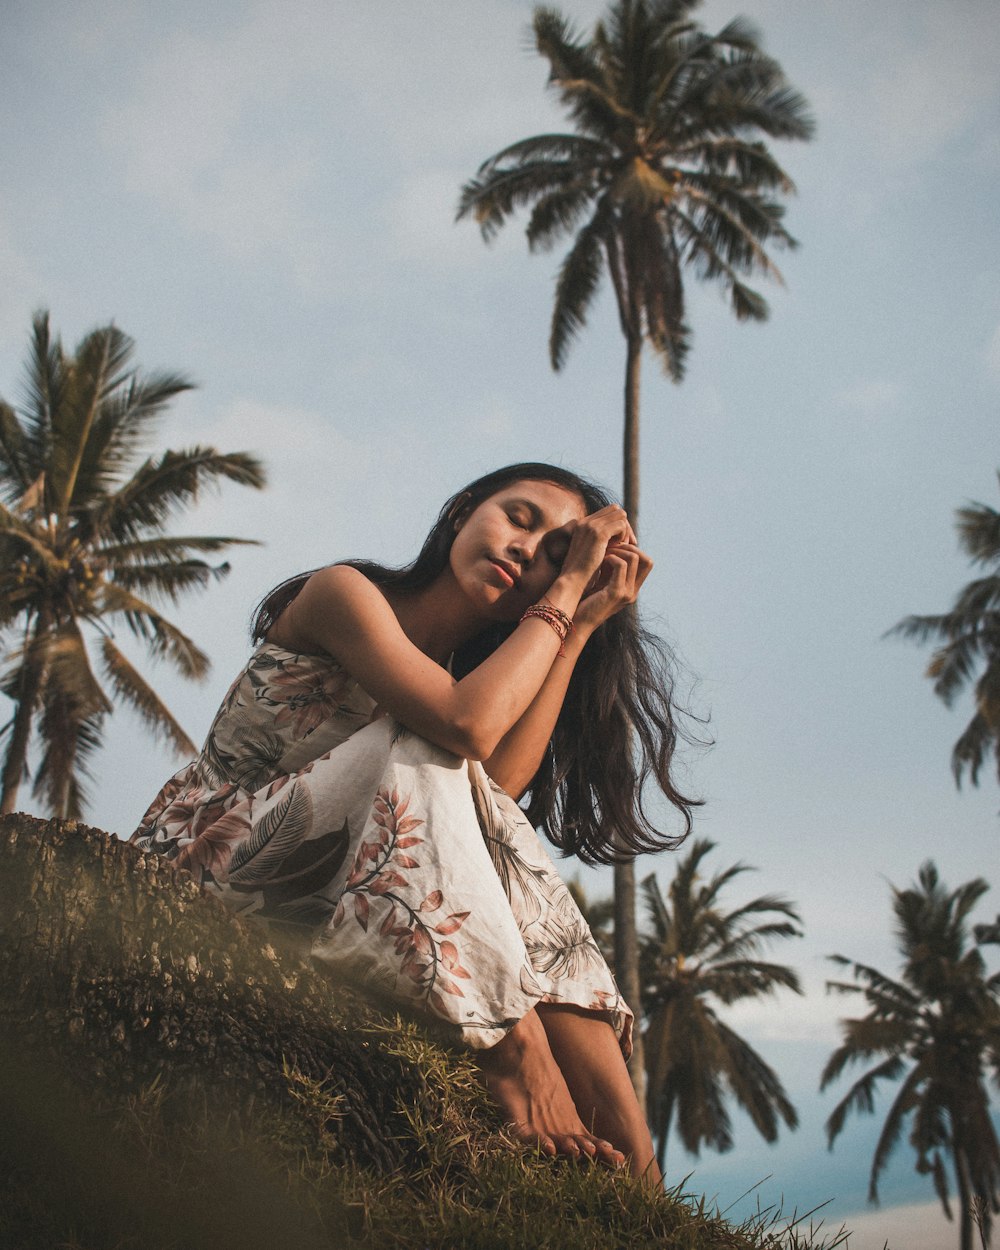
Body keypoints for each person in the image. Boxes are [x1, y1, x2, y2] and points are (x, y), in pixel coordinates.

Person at [132, 462, 697, 1183]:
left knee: (479, 807)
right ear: (462, 511)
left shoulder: (465, 677)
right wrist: (562, 587)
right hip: (208, 862)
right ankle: (510, 1046)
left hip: (323, 882)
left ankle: (637, 1162)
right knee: (427, 737)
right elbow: (464, 726)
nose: (527, 552)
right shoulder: (344, 593)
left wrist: (580, 623)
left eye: (557, 554)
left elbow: (493, 793)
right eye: (519, 519)